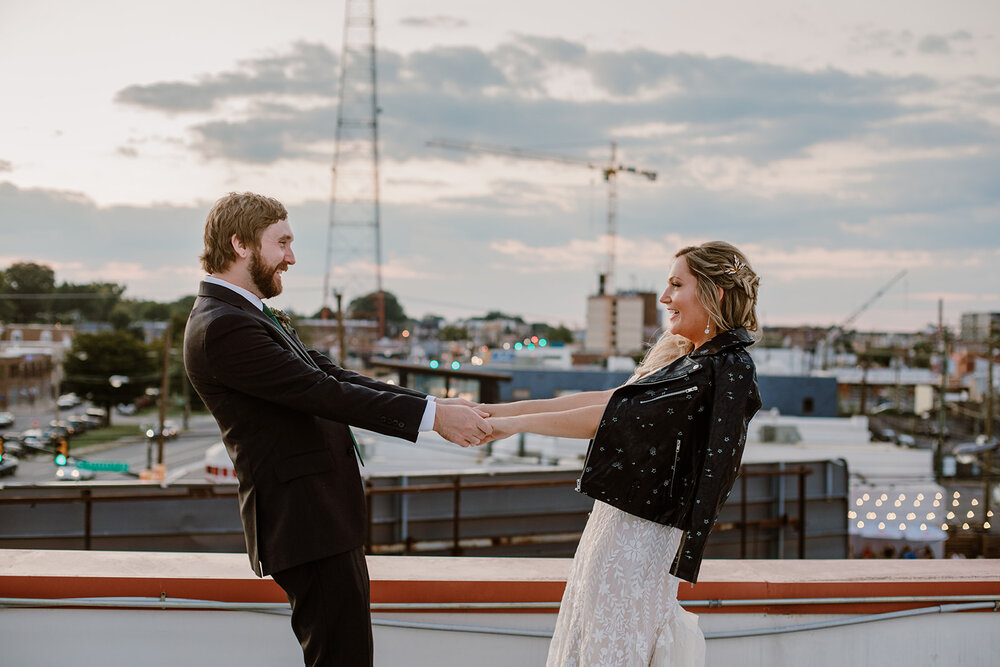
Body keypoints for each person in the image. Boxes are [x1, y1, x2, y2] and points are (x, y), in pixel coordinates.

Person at [183, 192, 491, 666]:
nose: (290, 257)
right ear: (240, 243)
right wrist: (433, 420)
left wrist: (435, 405)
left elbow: (335, 377)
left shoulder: (244, 314)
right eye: (281, 243)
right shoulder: (225, 325)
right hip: (305, 522)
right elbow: (323, 393)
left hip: (320, 520)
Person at [483, 241, 761, 666]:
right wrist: (497, 412)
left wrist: (513, 425)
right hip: (614, 530)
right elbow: (609, 400)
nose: (664, 298)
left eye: (675, 284)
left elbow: (610, 416)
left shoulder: (726, 368)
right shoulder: (690, 362)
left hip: (642, 543)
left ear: (715, 293)